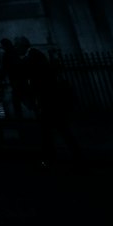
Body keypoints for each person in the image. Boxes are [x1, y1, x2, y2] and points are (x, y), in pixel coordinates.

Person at [15, 36, 81, 165]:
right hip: (47, 98)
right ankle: (63, 154)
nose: (15, 48)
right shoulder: (34, 55)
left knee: (50, 129)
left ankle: (51, 157)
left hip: (47, 98)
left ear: (22, 45)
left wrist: (34, 97)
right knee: (55, 129)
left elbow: (37, 78)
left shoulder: (32, 57)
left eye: (16, 45)